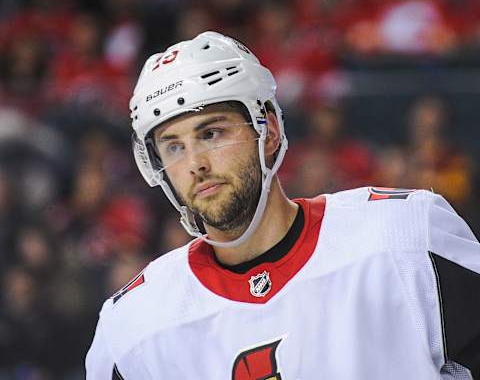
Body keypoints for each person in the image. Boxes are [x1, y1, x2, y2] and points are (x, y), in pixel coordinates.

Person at [85, 31, 480, 379]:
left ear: (268, 130)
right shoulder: (133, 328)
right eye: (174, 146)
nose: (195, 164)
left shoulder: (406, 236)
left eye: (211, 133)